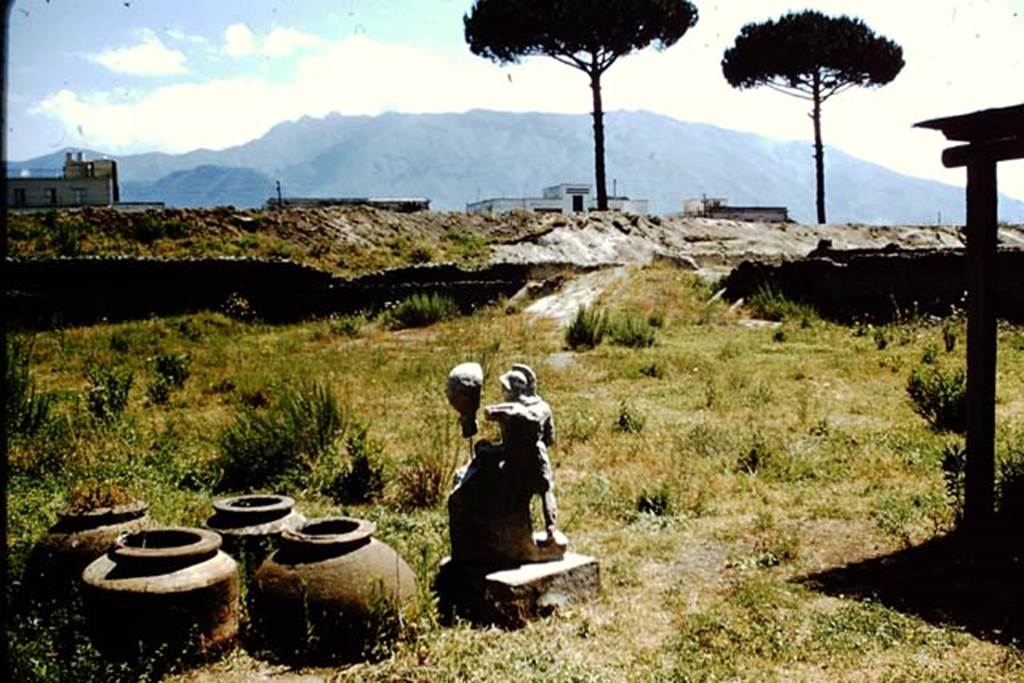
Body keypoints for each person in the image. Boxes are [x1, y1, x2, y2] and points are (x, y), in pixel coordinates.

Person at [495, 364, 559, 542]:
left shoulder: (509, 410)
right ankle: (550, 531)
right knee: (545, 492)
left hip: (516, 460)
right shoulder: (543, 407)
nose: (503, 393)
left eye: (505, 389)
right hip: (538, 456)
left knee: (518, 496)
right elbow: (550, 438)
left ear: (514, 391)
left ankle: (520, 536)